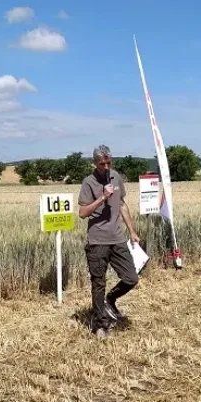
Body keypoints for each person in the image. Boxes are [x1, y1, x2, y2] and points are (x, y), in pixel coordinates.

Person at [78, 145, 141, 338]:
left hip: (118, 238)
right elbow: (82, 213)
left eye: (108, 163)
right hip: (97, 240)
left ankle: (110, 299)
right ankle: (100, 325)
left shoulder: (116, 177)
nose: (106, 167)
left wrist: (132, 231)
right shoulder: (89, 182)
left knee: (131, 278)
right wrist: (102, 198)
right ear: (95, 163)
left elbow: (121, 205)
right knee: (98, 283)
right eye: (101, 164)